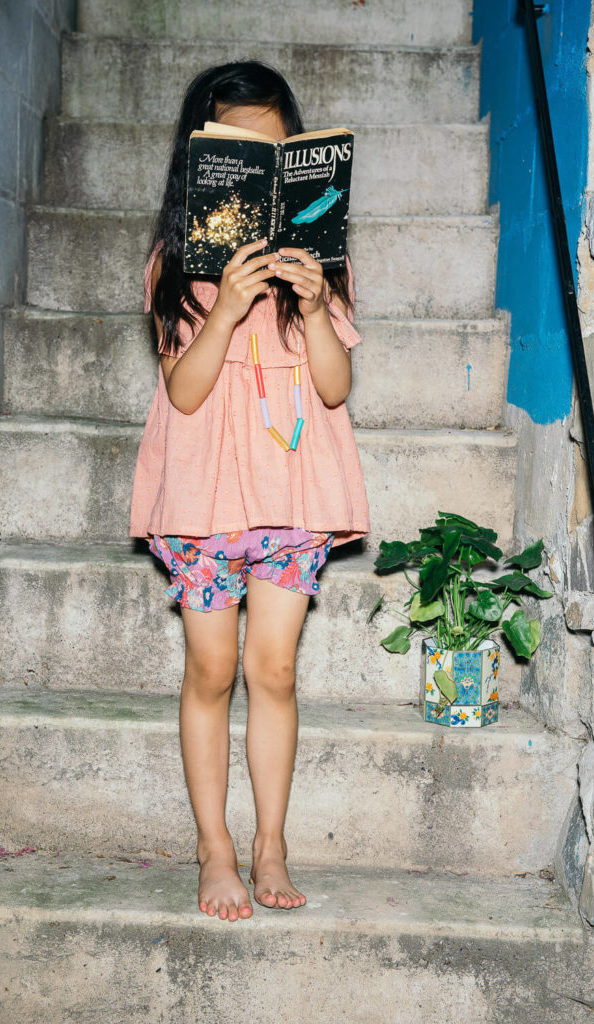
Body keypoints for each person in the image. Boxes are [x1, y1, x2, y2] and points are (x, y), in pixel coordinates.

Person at [129, 60, 370, 923]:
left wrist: (308, 309)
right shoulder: (174, 267)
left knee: (272, 670)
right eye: (238, 149)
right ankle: (214, 846)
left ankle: (268, 842)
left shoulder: (322, 266)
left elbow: (335, 388)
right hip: (201, 501)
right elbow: (184, 392)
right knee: (212, 668)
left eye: (274, 149)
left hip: (290, 497)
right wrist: (225, 307)